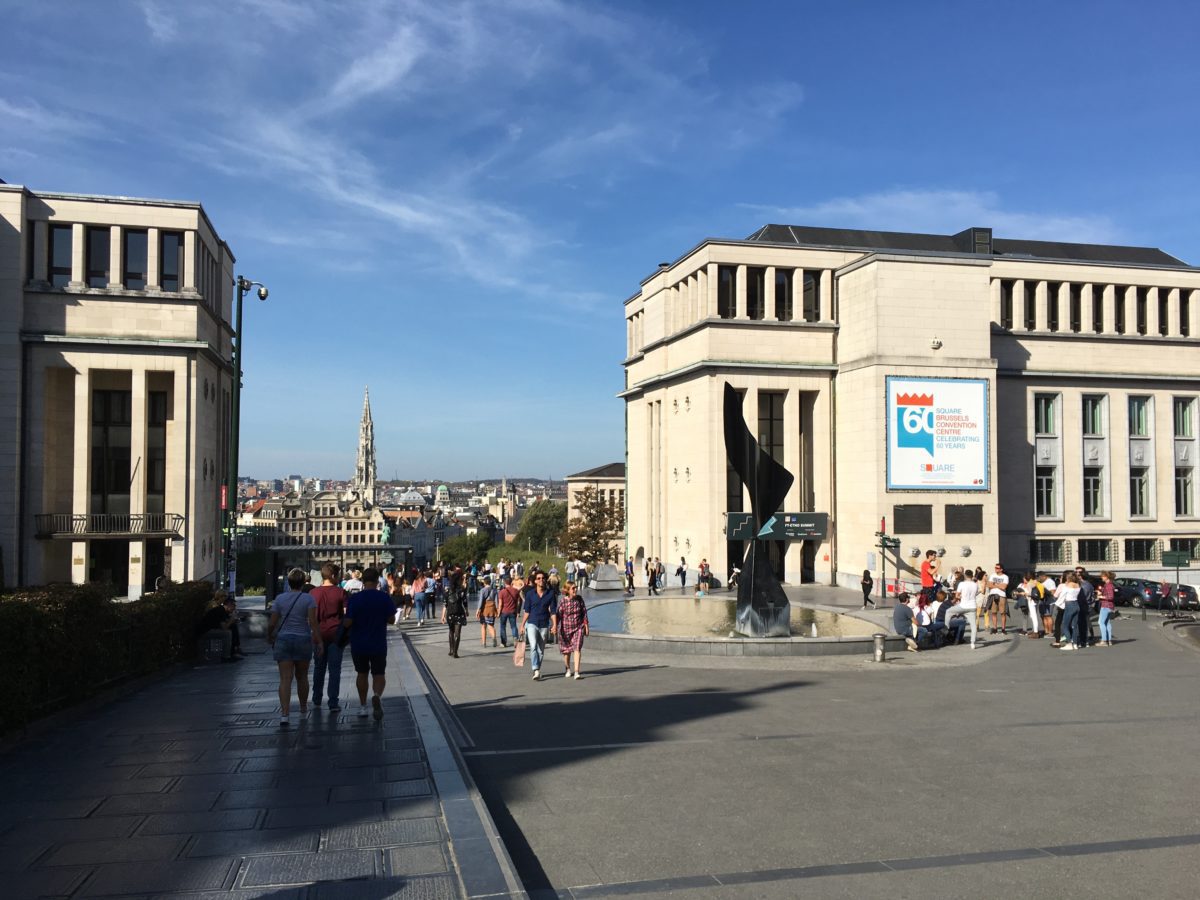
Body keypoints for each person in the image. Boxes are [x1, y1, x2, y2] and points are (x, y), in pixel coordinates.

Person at [267, 568, 322, 727]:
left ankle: (285, 714)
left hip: (283, 639)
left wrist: (269, 635)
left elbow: (272, 622)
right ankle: (303, 709)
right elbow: (312, 622)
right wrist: (319, 641)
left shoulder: (280, 599)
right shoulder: (308, 599)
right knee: (302, 676)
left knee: (285, 679)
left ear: (289, 582)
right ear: (304, 582)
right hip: (303, 639)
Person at [342, 567, 395, 720]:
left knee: (362, 673)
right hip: (378, 642)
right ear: (378, 580)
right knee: (379, 673)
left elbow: (348, 622)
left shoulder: (355, 599)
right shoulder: (383, 597)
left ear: (363, 581)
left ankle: (363, 706)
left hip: (358, 643)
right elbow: (391, 620)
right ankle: (377, 695)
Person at [310, 563, 347, 711]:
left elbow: (311, 617)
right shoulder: (340, 592)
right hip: (335, 635)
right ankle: (333, 702)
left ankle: (316, 698)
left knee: (319, 667)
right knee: (334, 669)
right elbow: (345, 613)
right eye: (338, 575)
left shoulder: (313, 593)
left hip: (318, 635)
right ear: (333, 576)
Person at [521, 571, 558, 681]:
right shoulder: (530, 594)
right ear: (535, 581)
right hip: (532, 623)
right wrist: (522, 625)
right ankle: (536, 669)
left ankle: (537, 669)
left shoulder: (550, 594)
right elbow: (527, 611)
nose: (541, 580)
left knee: (541, 650)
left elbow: (553, 611)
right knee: (533, 646)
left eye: (543, 578)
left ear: (545, 580)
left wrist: (555, 624)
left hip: (544, 624)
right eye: (539, 578)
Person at [195, 591, 244, 660]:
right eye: (233, 606)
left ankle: (233, 651)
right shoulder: (218, 608)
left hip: (211, 628)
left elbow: (224, 622)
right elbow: (224, 627)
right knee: (227, 633)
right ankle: (226, 656)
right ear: (228, 605)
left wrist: (232, 621)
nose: (234, 608)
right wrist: (231, 620)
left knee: (233, 627)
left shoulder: (222, 609)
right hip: (205, 631)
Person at [556, 580, 589, 679]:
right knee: (567, 651)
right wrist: (554, 626)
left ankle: (576, 672)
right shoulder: (563, 601)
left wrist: (586, 625)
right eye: (573, 588)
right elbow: (558, 615)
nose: (575, 590)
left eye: (575, 588)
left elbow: (584, 612)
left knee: (577, 648)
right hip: (565, 629)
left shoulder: (579, 599)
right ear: (567, 590)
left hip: (578, 628)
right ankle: (567, 669)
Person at [942, 568, 981, 648]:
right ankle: (972, 643)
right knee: (973, 625)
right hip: (972, 607)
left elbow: (957, 595)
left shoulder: (962, 584)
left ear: (965, 575)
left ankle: (946, 629)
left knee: (948, 611)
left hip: (963, 606)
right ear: (972, 575)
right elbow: (976, 594)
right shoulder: (975, 584)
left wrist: (960, 596)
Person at [441, 570, 469, 658]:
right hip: (459, 612)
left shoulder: (447, 590)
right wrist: (467, 610)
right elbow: (464, 602)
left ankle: (451, 649)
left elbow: (445, 604)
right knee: (458, 632)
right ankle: (455, 652)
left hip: (450, 612)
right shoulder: (461, 590)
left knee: (451, 631)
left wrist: (442, 616)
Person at [1057, 573, 1083, 651]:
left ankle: (1069, 643)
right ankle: (1075, 644)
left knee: (1065, 625)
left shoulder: (1067, 586)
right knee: (1074, 626)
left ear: (1068, 578)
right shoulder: (1078, 585)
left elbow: (1062, 596)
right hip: (1076, 604)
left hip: (1069, 605)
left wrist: (1058, 604)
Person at [497, 575, 522, 647]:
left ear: (504, 582)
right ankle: (515, 638)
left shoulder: (502, 592)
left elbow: (500, 604)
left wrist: (498, 612)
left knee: (502, 627)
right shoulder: (516, 591)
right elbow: (518, 602)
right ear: (511, 582)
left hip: (504, 611)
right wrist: (517, 611)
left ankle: (503, 642)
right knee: (513, 626)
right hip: (512, 611)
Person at [985, 563, 1009, 634]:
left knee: (1002, 612)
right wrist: (999, 585)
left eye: (997, 568)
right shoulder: (992, 575)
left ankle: (1003, 629)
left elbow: (1004, 587)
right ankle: (995, 628)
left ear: (1001, 569)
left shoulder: (1005, 577)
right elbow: (989, 585)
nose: (996, 569)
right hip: (993, 595)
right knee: (993, 612)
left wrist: (994, 584)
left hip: (1001, 596)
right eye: (995, 567)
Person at [1097, 571, 1117, 646]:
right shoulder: (1109, 585)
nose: (1101, 577)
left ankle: (1104, 640)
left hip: (1106, 605)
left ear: (1106, 577)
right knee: (1107, 623)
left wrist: (1101, 597)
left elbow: (1111, 597)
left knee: (1101, 622)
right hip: (1109, 606)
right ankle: (1109, 640)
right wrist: (1100, 592)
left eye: (1102, 576)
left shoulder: (1108, 585)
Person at [478, 574, 499, 647]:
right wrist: (497, 610)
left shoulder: (482, 590)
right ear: (490, 582)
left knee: (483, 626)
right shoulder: (495, 590)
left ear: (484, 582)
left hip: (484, 609)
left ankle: (484, 642)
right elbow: (496, 601)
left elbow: (481, 601)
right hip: (492, 609)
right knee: (491, 625)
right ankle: (494, 638)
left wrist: (478, 610)